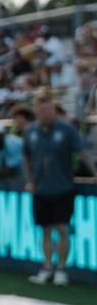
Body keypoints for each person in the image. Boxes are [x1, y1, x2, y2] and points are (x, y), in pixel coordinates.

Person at [25, 89, 95, 285]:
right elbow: (26, 155)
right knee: (45, 230)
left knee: (62, 228)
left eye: (48, 109)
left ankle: (61, 270)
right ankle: (47, 268)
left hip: (63, 187)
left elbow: (82, 152)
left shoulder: (66, 131)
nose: (45, 113)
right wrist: (29, 179)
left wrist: (94, 172)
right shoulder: (31, 132)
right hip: (40, 188)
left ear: (53, 110)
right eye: (41, 109)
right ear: (37, 111)